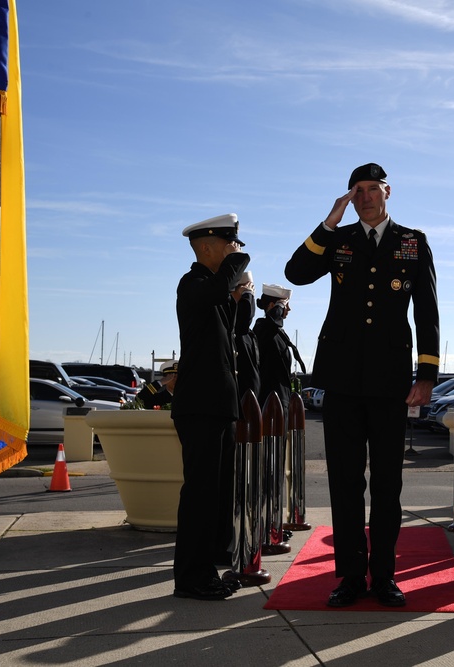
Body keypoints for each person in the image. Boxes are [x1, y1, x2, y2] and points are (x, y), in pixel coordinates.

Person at [284, 163, 440, 608]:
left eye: (374, 189)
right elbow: (296, 274)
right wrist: (329, 223)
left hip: (391, 380)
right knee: (346, 483)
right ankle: (350, 576)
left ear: (388, 191)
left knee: (388, 484)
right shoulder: (339, 239)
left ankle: (385, 576)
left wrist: (426, 374)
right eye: (358, 190)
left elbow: (426, 309)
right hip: (343, 379)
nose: (367, 196)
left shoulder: (413, 241)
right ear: (350, 196)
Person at [171, 213, 249, 601]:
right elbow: (217, 290)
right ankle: (191, 577)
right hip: (199, 406)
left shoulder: (214, 292)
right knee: (200, 493)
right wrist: (236, 266)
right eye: (229, 242)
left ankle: (209, 568)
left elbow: (235, 322)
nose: (236, 249)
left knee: (217, 492)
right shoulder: (193, 284)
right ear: (206, 247)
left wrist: (240, 290)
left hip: (217, 405)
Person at [253, 283, 306, 413]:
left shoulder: (278, 333)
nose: (288, 309)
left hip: (281, 400)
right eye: (285, 306)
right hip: (269, 402)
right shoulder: (263, 328)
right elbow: (271, 323)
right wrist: (279, 306)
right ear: (272, 306)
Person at [233, 272, 261, 405]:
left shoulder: (249, 334)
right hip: (239, 397)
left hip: (251, 398)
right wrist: (247, 295)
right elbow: (242, 322)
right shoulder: (233, 325)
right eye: (246, 287)